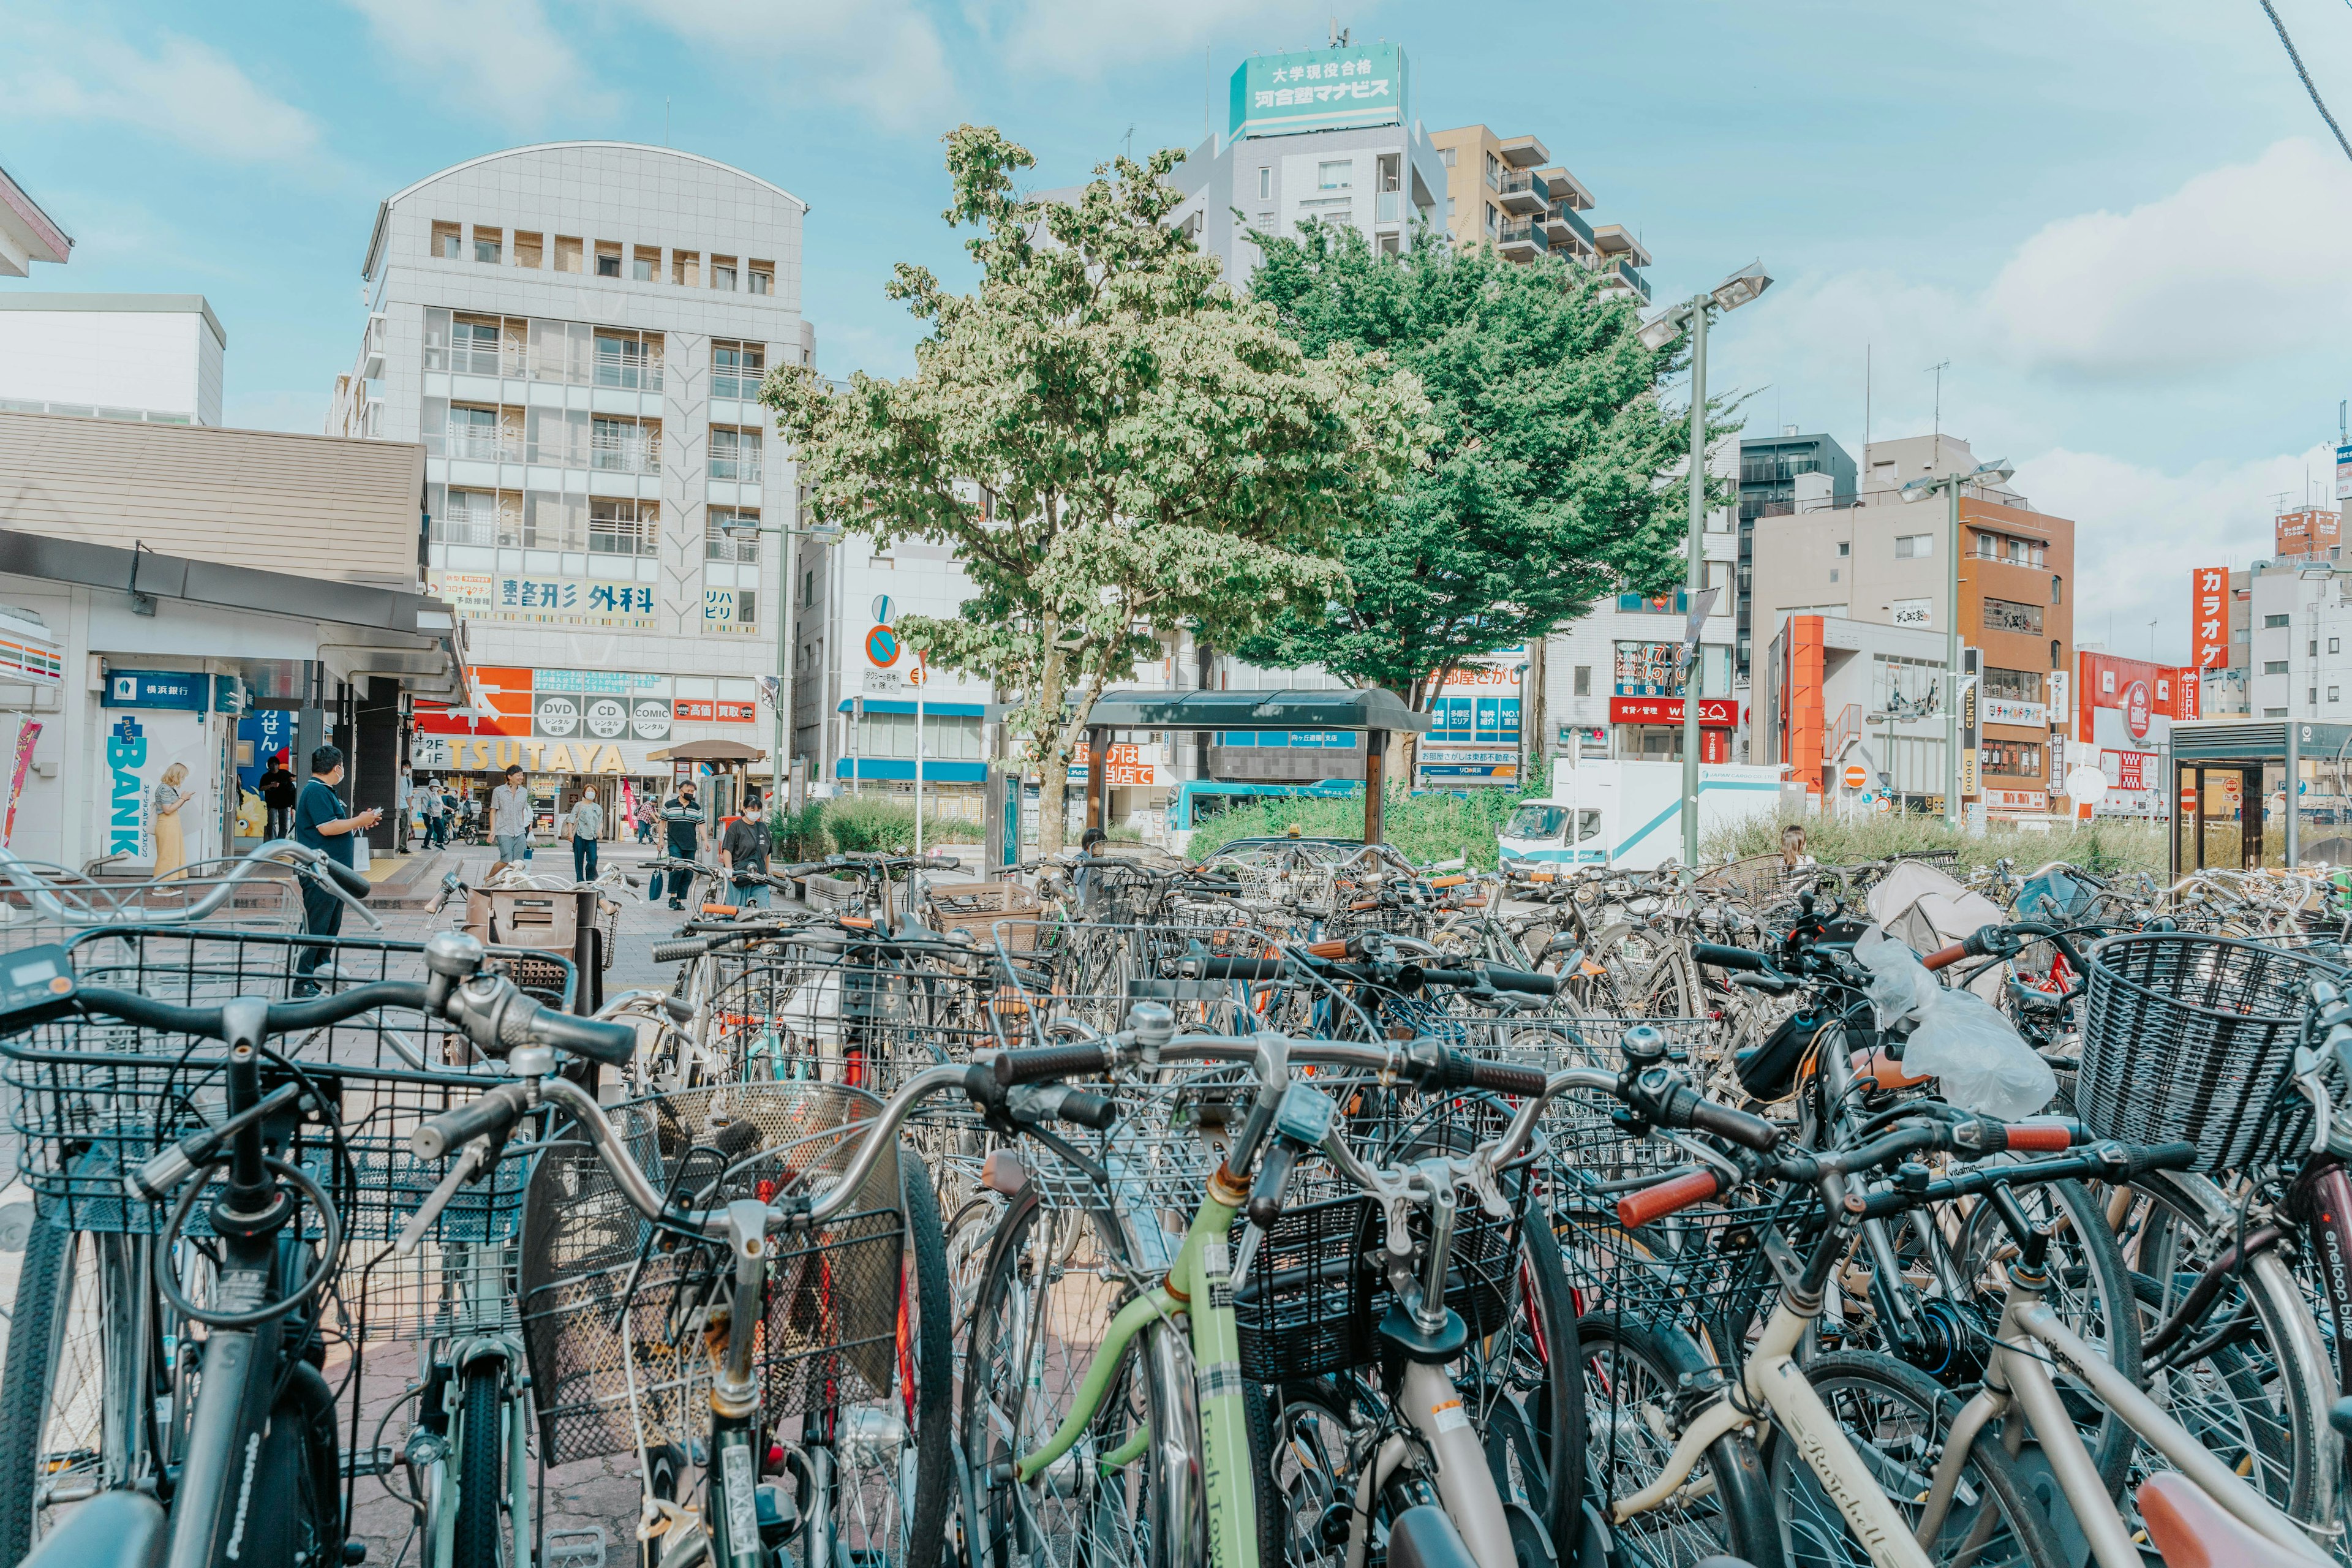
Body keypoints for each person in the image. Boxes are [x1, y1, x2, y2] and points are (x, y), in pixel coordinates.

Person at [292, 745, 380, 994]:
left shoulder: (325, 791)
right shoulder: (316, 791)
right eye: (342, 765)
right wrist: (359, 821)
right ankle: (302, 982)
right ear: (337, 767)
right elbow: (326, 828)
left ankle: (321, 974)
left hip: (333, 871)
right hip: (320, 872)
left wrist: (361, 822)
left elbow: (335, 826)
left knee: (330, 926)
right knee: (316, 926)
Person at [662, 780, 706, 910]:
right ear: (681, 791)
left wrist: (706, 840)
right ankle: (673, 896)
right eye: (689, 791)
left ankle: (680, 900)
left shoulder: (696, 807)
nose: (691, 793)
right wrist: (660, 840)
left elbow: (701, 824)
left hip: (691, 844)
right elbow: (662, 822)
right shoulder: (669, 805)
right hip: (674, 843)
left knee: (688, 873)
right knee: (677, 869)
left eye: (693, 792)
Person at [719, 790, 769, 907]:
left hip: (759, 877)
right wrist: (730, 872)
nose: (756, 813)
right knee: (735, 910)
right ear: (744, 809)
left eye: (758, 811)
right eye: (752, 810)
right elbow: (727, 850)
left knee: (764, 910)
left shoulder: (763, 827)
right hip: (739, 877)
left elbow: (767, 853)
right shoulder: (735, 827)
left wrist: (768, 873)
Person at [150, 761, 190, 878]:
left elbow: (173, 807)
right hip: (167, 824)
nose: (183, 779)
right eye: (182, 776)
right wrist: (183, 799)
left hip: (170, 824)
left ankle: (165, 885)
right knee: (166, 856)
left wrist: (183, 799)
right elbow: (167, 810)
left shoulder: (168, 788)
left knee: (170, 854)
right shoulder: (165, 789)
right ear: (176, 775)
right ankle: (160, 887)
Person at [489, 764, 532, 867]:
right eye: (519, 775)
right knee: (506, 860)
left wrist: (523, 826)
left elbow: (522, 811)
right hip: (504, 830)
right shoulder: (499, 791)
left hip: (520, 831)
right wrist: (492, 831)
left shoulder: (524, 792)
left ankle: (513, 882)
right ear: (510, 777)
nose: (521, 778)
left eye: (522, 775)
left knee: (519, 862)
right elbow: (493, 811)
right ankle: (489, 879)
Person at [259, 752, 298, 841]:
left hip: (284, 802)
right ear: (269, 766)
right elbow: (261, 788)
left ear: (278, 765)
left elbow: (295, 777)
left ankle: (280, 841)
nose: (274, 766)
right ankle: (273, 841)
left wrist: (291, 779)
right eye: (272, 764)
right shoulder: (266, 776)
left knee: (284, 825)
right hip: (272, 803)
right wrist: (271, 786)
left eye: (276, 764)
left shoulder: (284, 773)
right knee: (271, 823)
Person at [570, 786, 605, 883]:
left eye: (593, 791)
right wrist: (570, 834)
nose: (591, 793)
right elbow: (571, 820)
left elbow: (600, 821)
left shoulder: (598, 808)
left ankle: (590, 878)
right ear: (584, 793)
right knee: (579, 860)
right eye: (588, 791)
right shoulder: (578, 805)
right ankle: (580, 880)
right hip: (579, 836)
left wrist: (600, 830)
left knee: (593, 858)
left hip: (592, 836)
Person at [420, 778, 447, 849]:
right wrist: (411, 806)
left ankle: (439, 843)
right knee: (430, 829)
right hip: (426, 813)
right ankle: (425, 845)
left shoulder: (435, 793)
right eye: (434, 786)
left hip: (434, 813)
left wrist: (439, 814)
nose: (436, 788)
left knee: (441, 827)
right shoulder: (424, 792)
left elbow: (437, 804)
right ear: (431, 786)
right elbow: (413, 796)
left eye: (437, 786)